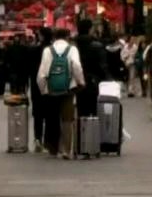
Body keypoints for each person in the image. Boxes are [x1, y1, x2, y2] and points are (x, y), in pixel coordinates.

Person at [37, 26, 85, 158]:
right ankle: (66, 150)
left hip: (51, 90)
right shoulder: (72, 49)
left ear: (54, 38)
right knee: (67, 119)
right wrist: (80, 82)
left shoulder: (47, 50)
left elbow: (41, 74)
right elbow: (76, 66)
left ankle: (53, 148)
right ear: (67, 37)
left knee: (52, 118)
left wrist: (43, 90)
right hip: (68, 89)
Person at [74, 19, 107, 153]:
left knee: (81, 111)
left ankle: (80, 144)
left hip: (78, 82)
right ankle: (92, 143)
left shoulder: (74, 46)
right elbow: (102, 66)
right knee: (93, 111)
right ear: (89, 29)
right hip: (93, 82)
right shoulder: (96, 46)